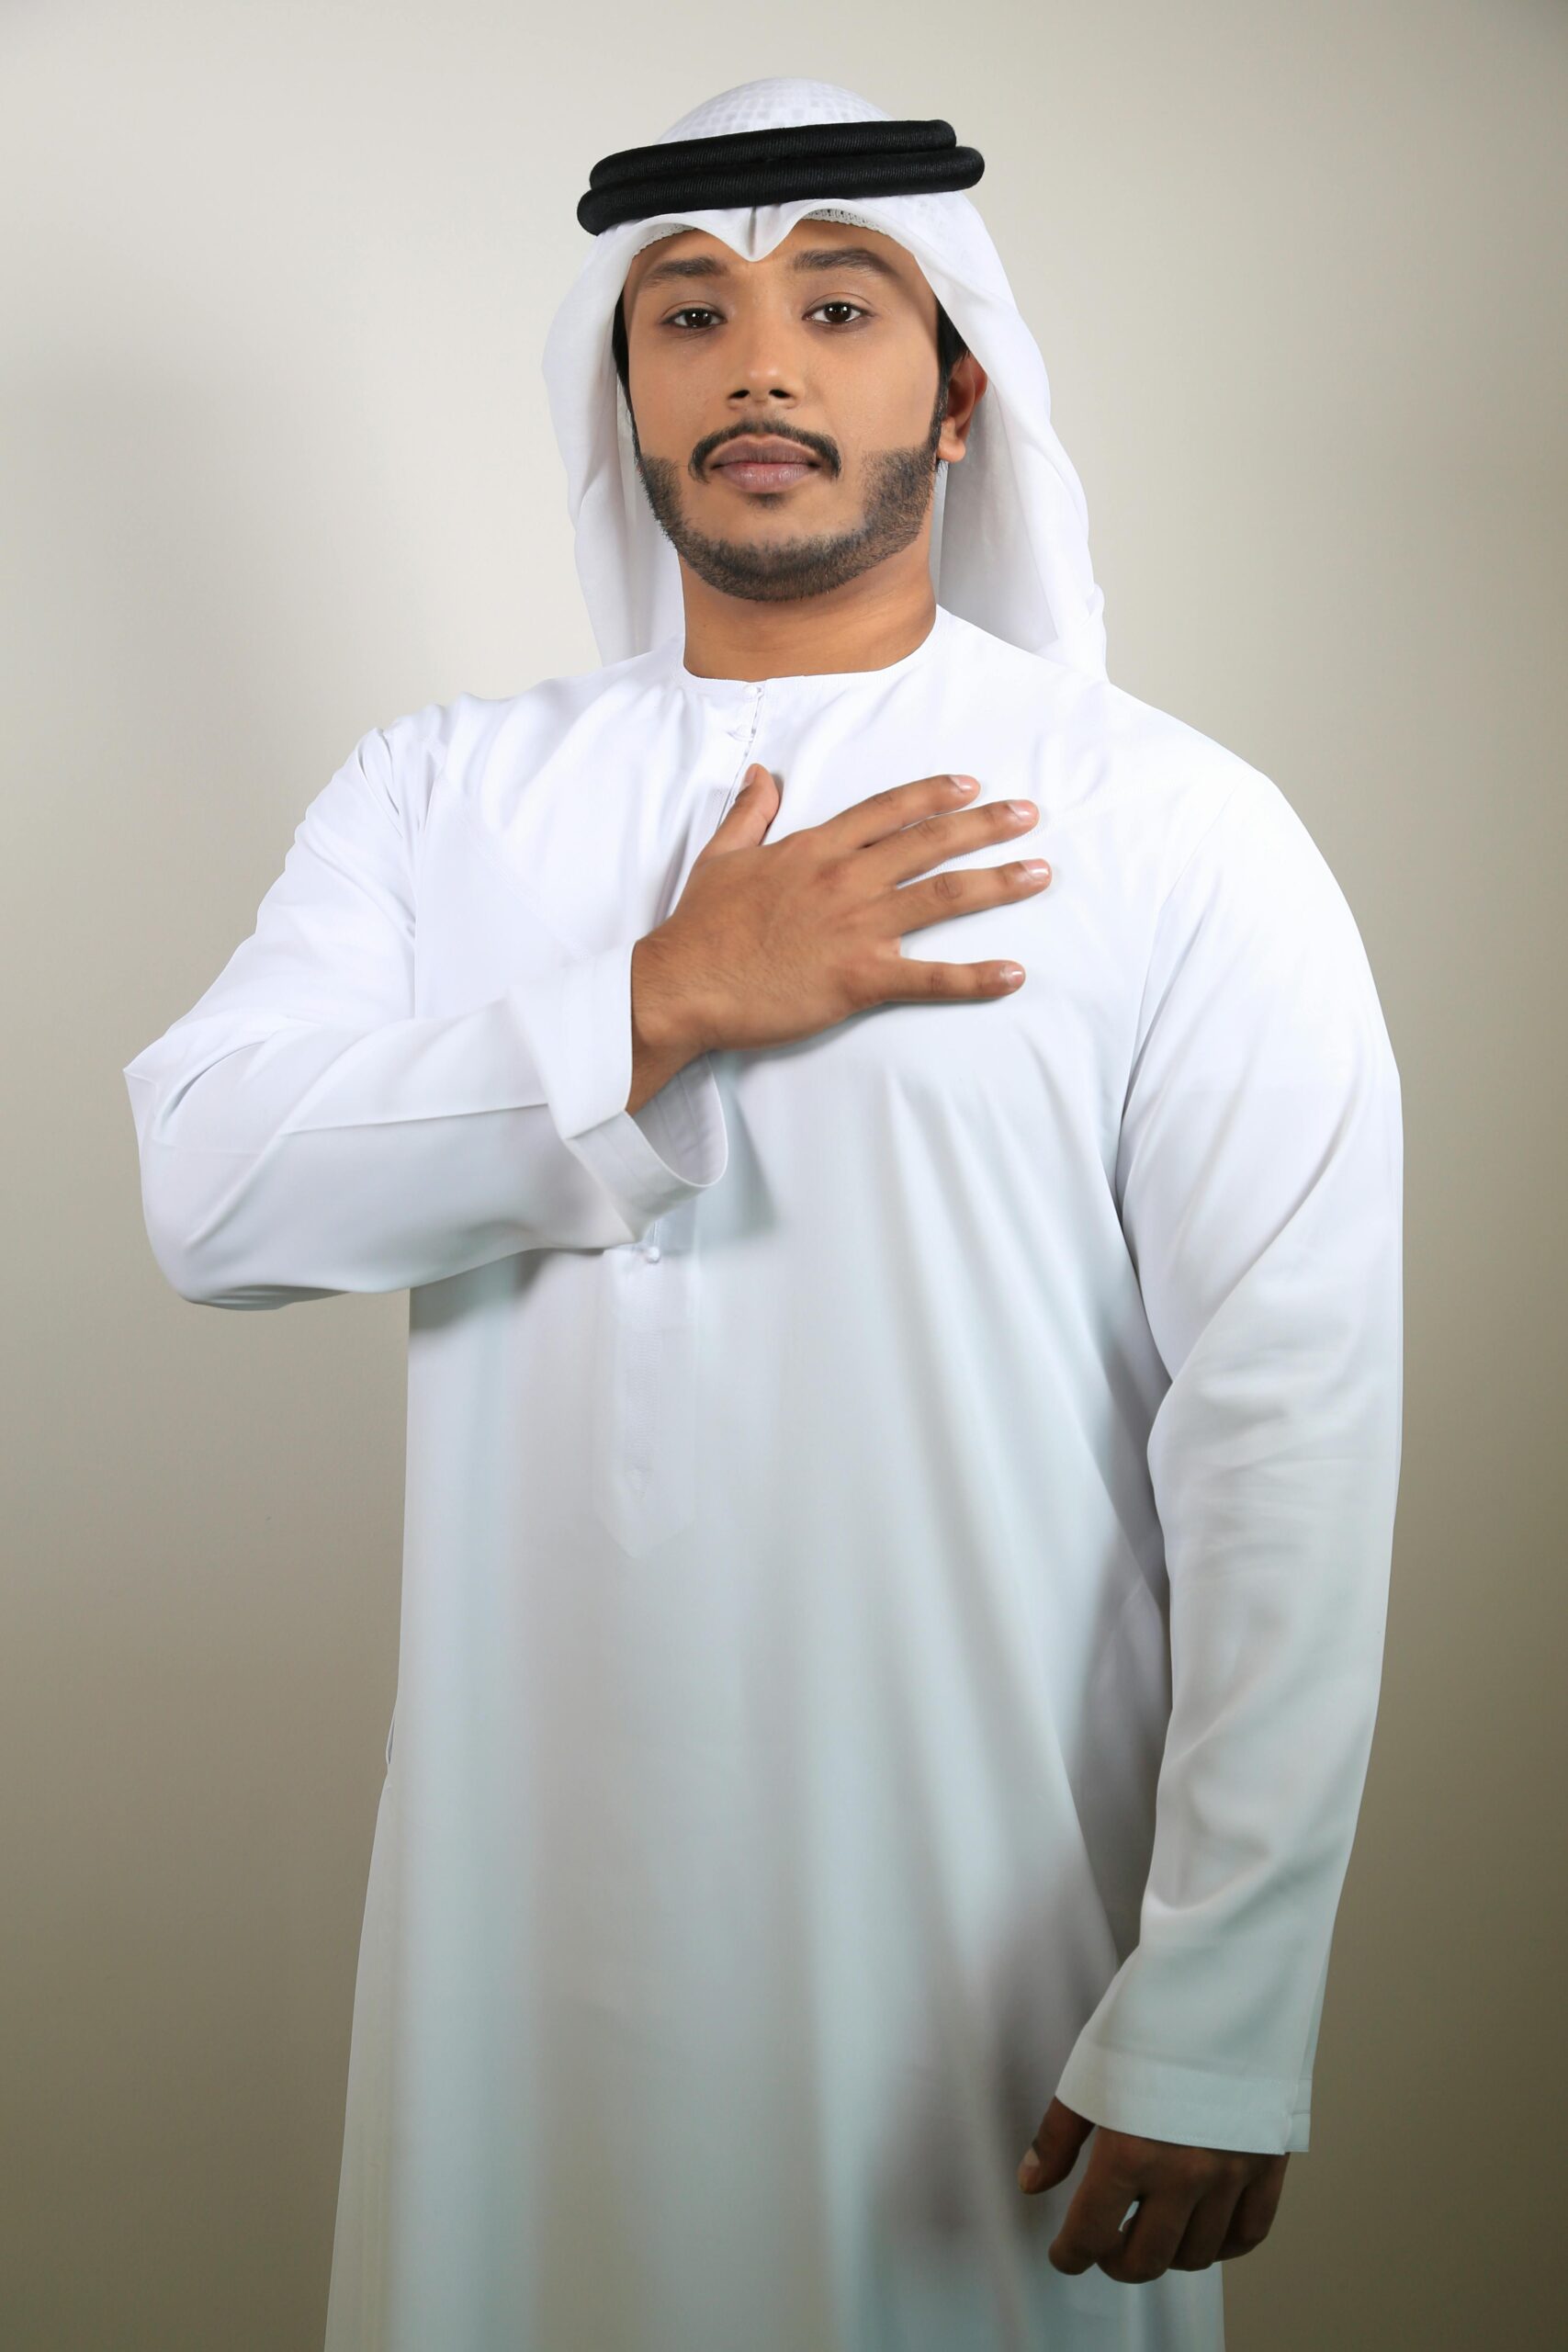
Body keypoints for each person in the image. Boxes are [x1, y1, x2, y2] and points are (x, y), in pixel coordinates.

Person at [121, 75, 1404, 2352]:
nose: (761, 365)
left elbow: (1283, 1425)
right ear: (621, 395)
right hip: (522, 1959)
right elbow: (215, 1181)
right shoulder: (442, 796)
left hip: (981, 1956)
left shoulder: (1168, 828)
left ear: (958, 381)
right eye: (685, 315)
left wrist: (1220, 1994)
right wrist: (658, 999)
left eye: (836, 301)